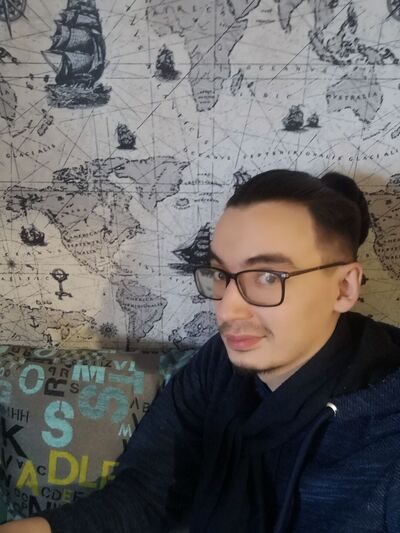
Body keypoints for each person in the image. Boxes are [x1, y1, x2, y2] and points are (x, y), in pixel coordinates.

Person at [1, 169, 399, 533]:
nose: (227, 308)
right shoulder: (219, 366)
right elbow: (149, 491)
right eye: (220, 274)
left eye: (267, 276)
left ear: (344, 288)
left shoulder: (385, 436)